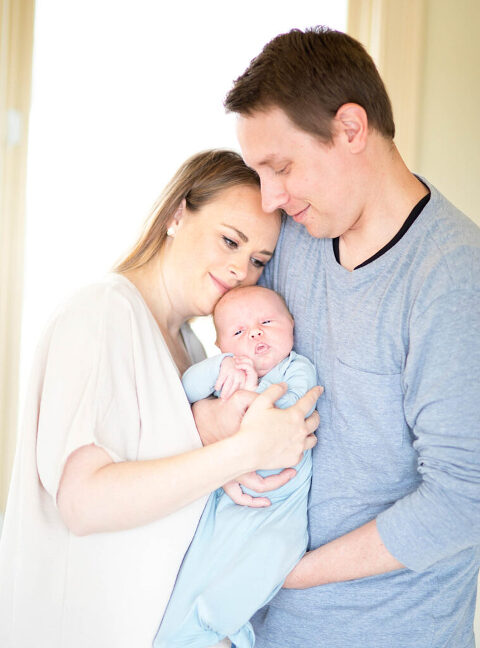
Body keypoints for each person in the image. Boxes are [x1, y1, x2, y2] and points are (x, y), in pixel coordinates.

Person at [191, 27, 480, 648]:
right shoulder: (293, 237)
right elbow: (229, 357)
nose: (270, 196)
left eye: (281, 168)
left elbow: (464, 497)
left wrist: (285, 573)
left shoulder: (454, 279)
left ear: (351, 129)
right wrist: (211, 427)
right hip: (252, 628)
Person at [0, 148, 321, 648]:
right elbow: (83, 504)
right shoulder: (103, 311)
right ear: (176, 214)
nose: (240, 269)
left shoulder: (193, 352)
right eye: (230, 240)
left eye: (258, 260)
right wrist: (242, 452)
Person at [154, 285, 317, 647]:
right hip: (223, 500)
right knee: (195, 567)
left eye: (267, 323)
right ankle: (180, 636)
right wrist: (220, 368)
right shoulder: (225, 371)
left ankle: (225, 627)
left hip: (278, 508)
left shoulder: (296, 368)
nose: (255, 333)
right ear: (221, 345)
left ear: (291, 324)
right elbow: (186, 389)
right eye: (239, 331)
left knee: (268, 556)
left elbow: (283, 411)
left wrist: (248, 392)